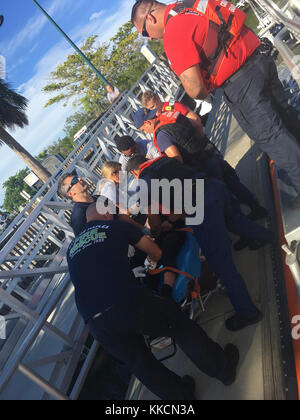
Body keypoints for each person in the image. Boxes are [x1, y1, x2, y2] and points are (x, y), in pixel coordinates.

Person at [131, 0, 300, 210]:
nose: (151, 38)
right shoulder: (189, 5)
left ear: (150, 17)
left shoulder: (173, 34)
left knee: (273, 137)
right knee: (287, 118)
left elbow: (196, 90)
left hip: (241, 84)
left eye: (145, 33)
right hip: (259, 59)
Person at [66, 201, 240, 400]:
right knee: (179, 326)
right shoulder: (114, 226)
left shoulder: (72, 249)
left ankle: (181, 398)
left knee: (140, 363)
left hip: (94, 320)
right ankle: (223, 369)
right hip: (125, 301)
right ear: (106, 215)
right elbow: (156, 252)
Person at [127, 154, 272, 331]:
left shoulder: (144, 183)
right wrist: (172, 220)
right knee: (233, 220)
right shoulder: (163, 160)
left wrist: (154, 231)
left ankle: (247, 312)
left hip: (202, 207)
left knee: (220, 263)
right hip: (213, 187)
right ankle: (265, 236)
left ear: (135, 172)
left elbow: (155, 222)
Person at [133, 106, 268, 222]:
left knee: (225, 196)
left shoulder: (161, 135)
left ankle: (247, 231)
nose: (145, 132)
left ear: (147, 122)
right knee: (231, 182)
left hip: (201, 164)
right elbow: (196, 124)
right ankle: (257, 208)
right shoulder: (170, 115)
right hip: (207, 150)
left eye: (143, 129)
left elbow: (176, 159)